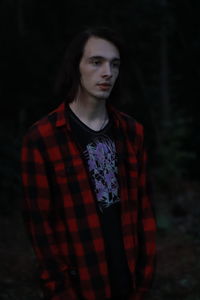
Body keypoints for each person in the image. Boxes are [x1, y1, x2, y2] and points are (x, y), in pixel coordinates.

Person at [21, 27, 156, 300]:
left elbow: (144, 211)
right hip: (79, 284)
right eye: (96, 62)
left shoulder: (132, 132)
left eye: (114, 64)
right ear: (76, 67)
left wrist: (144, 280)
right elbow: (40, 228)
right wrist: (59, 289)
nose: (107, 72)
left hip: (129, 282)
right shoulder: (43, 138)